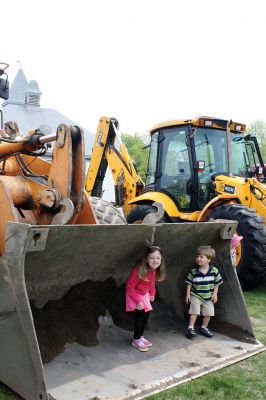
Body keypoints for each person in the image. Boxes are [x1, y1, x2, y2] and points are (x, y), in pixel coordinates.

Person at [125, 245, 166, 352]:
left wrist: (152, 293)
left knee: (145, 316)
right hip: (135, 295)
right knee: (140, 317)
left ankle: (140, 336)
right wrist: (137, 301)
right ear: (146, 258)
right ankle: (136, 339)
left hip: (145, 294)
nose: (155, 260)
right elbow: (129, 287)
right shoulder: (138, 270)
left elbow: (152, 283)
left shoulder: (154, 270)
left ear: (161, 259)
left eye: (158, 258)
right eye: (152, 258)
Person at [185, 245, 223, 339]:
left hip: (208, 297)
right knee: (194, 311)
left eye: (201, 257)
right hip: (196, 295)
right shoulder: (193, 272)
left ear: (209, 259)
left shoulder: (214, 271)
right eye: (197, 256)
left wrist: (215, 294)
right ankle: (190, 328)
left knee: (208, 313)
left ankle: (204, 328)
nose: (198, 258)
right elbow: (189, 283)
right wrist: (187, 295)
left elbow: (217, 283)